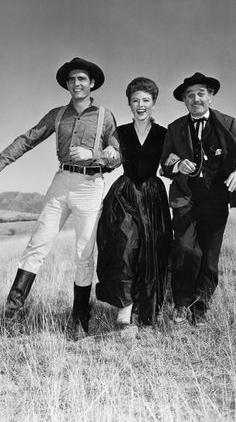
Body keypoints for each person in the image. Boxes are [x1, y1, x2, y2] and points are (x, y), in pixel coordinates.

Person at [1, 56, 121, 333]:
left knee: (83, 252)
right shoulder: (57, 115)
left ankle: (79, 319)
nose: (76, 83)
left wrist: (96, 154)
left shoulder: (105, 116)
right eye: (72, 79)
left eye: (82, 79)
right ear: (67, 84)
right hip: (61, 181)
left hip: (91, 186)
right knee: (37, 243)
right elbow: (28, 138)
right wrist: (2, 161)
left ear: (91, 84)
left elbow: (117, 157)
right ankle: (11, 313)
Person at [96, 77, 172, 327]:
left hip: (152, 195)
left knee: (151, 250)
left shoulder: (164, 133)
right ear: (129, 104)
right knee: (124, 246)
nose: (141, 105)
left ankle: (146, 307)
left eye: (146, 100)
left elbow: (170, 164)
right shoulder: (121, 132)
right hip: (125, 194)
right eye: (135, 100)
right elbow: (112, 157)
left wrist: (174, 162)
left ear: (153, 103)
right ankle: (125, 307)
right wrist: (108, 155)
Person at [161, 72, 236, 326]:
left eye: (201, 94)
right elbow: (165, 162)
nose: (196, 99)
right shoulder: (175, 128)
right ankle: (181, 304)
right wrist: (177, 163)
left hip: (216, 199)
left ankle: (201, 308)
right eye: (190, 95)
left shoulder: (229, 124)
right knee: (184, 248)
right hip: (185, 198)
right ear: (184, 100)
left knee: (209, 256)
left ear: (211, 97)